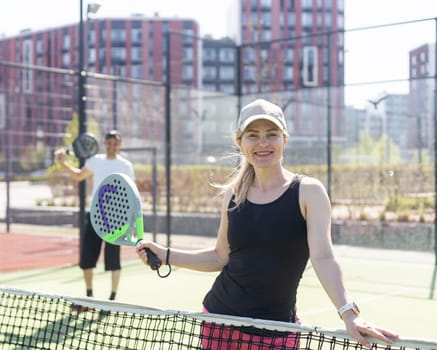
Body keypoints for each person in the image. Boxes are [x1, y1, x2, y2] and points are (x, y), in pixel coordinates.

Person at [136, 99, 399, 349]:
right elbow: (220, 256)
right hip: (219, 321)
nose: (263, 142)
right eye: (252, 135)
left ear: (285, 140)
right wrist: (166, 254)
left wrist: (348, 314)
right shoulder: (233, 193)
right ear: (240, 142)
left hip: (277, 332)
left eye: (271, 133)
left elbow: (324, 257)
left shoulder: (308, 192)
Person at [55, 130, 135, 301]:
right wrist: (62, 163)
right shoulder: (96, 161)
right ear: (104, 143)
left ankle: (112, 299)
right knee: (87, 258)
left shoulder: (125, 165)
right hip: (95, 216)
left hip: (116, 218)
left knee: (113, 259)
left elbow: (131, 191)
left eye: (115, 143)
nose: (112, 146)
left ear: (119, 145)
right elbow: (78, 175)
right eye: (109, 143)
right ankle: (89, 297)